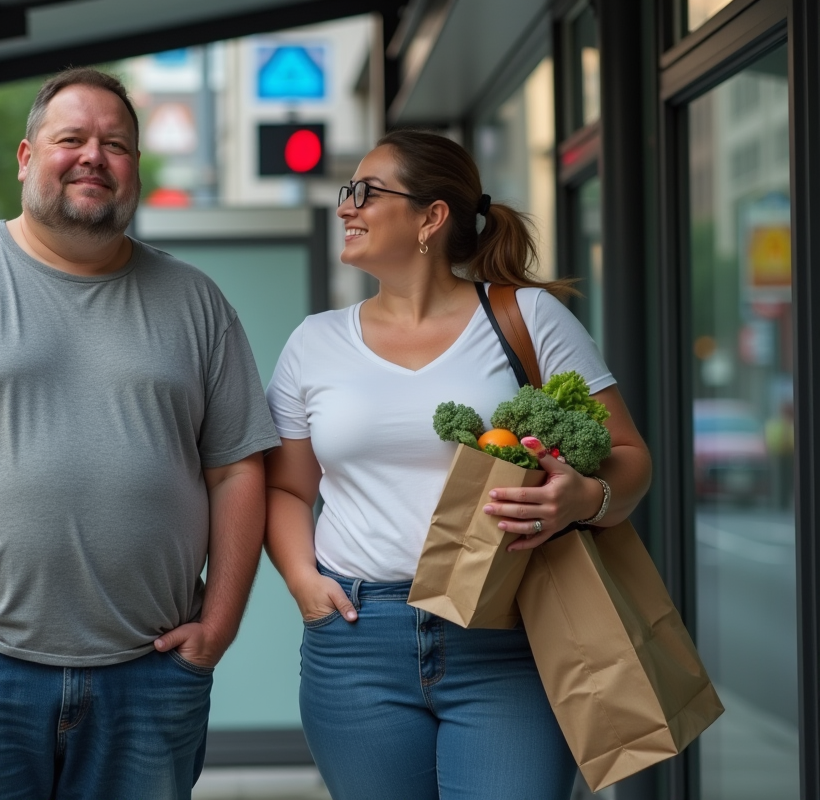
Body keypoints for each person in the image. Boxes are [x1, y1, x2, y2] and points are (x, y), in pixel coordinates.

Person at [0, 67, 279, 800]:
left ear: (135, 167)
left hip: (150, 677)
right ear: (26, 158)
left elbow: (236, 470)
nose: (94, 156)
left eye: (117, 144)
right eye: (71, 138)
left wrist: (218, 628)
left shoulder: (197, 301)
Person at [263, 130, 653, 800]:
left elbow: (630, 459)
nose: (345, 207)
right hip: (358, 637)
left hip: (509, 630)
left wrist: (579, 499)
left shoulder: (528, 316)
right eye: (345, 193)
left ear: (431, 217)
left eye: (365, 191)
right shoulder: (314, 342)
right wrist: (304, 583)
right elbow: (288, 490)